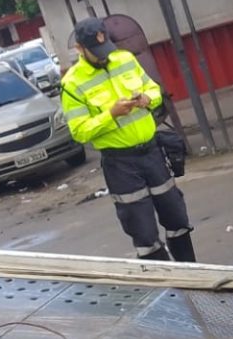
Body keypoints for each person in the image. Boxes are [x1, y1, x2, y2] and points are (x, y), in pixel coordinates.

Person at [60, 18, 195, 263]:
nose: (104, 56)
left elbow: (153, 89)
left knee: (176, 217)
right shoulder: (72, 83)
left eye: (105, 48)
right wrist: (111, 114)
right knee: (143, 231)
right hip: (120, 164)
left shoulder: (124, 58)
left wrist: (147, 99)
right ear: (80, 49)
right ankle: (166, 282)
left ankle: (193, 274)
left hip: (152, 153)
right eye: (96, 51)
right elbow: (80, 131)